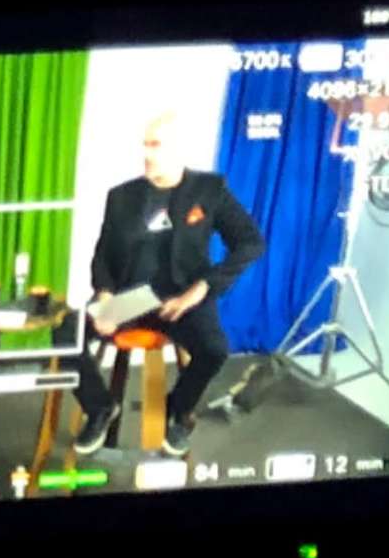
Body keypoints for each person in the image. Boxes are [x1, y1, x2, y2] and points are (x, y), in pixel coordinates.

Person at [75, 114, 265, 456]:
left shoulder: (210, 190)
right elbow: (103, 256)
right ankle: (100, 407)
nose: (147, 153)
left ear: (179, 150)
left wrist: (202, 289)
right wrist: (104, 296)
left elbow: (251, 242)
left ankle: (176, 411)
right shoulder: (121, 196)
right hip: (131, 300)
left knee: (214, 349)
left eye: (156, 145)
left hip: (182, 297)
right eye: (145, 144)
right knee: (65, 333)